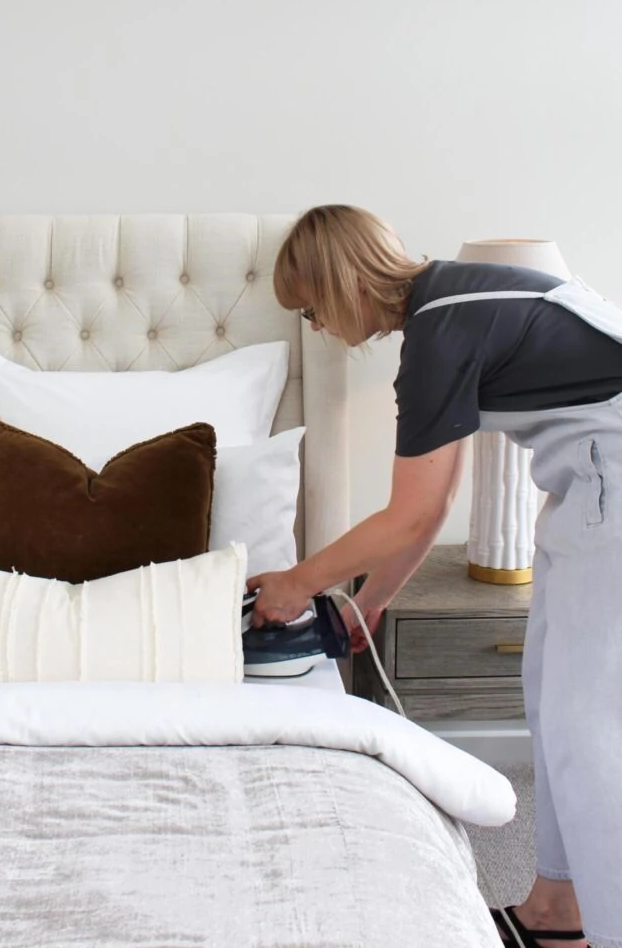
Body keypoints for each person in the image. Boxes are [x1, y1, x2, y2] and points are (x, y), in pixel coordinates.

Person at [247, 205, 622, 948]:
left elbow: (411, 515)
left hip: (610, 487)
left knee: (592, 735)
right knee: (551, 700)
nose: (317, 328)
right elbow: (435, 500)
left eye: (312, 308)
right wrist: (370, 604)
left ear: (342, 282)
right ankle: (557, 910)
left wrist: (297, 582)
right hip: (585, 490)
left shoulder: (439, 333)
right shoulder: (455, 297)